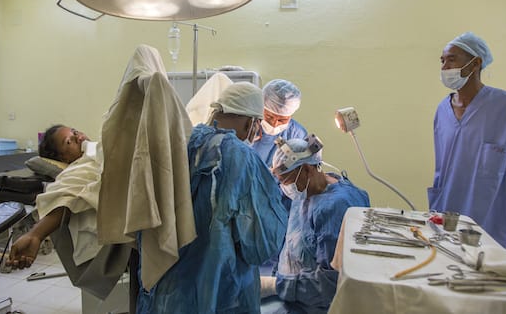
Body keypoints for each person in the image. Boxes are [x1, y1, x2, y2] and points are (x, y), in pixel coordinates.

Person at [137, 82, 288, 314]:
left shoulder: (183, 141)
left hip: (170, 281)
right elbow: (260, 244)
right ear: (251, 123)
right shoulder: (242, 157)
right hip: (218, 285)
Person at [429, 31, 506, 254]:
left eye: (452, 59)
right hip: (446, 225)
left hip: (492, 230)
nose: (445, 67)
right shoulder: (442, 111)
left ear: (476, 64)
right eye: (442, 60)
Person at [261, 135, 370, 313]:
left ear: (306, 169)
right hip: (291, 293)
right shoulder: (305, 191)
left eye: (285, 181)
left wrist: (274, 285)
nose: (284, 187)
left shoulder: (335, 207)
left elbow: (330, 285)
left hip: (315, 305)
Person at [6, 124, 95, 270]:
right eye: (69, 141)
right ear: (63, 158)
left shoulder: (98, 151)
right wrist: (35, 235)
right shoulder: (78, 169)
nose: (79, 137)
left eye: (75, 132)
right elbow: (67, 195)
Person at [253, 79, 308, 168]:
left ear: (290, 116)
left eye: (282, 120)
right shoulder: (246, 127)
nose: (274, 124)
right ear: (261, 108)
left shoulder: (296, 134)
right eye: (269, 117)